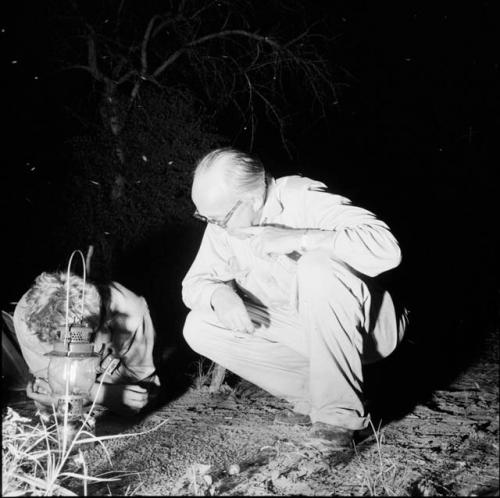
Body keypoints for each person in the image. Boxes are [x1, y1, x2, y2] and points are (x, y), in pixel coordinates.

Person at [182, 147, 408, 449]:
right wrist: (220, 293)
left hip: (369, 329)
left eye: (219, 219)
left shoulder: (302, 197)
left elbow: (386, 249)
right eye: (204, 217)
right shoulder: (223, 225)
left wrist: (299, 237)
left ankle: (338, 416)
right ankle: (316, 395)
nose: (213, 226)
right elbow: (193, 285)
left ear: (251, 198)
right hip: (303, 328)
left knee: (317, 266)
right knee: (199, 325)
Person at [13, 271, 160, 415]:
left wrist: (102, 394)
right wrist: (95, 394)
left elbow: (141, 388)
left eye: (72, 340)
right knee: (47, 402)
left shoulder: (131, 311)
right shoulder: (26, 317)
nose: (67, 349)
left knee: (134, 406)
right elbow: (52, 389)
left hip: (108, 372)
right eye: (57, 340)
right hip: (70, 383)